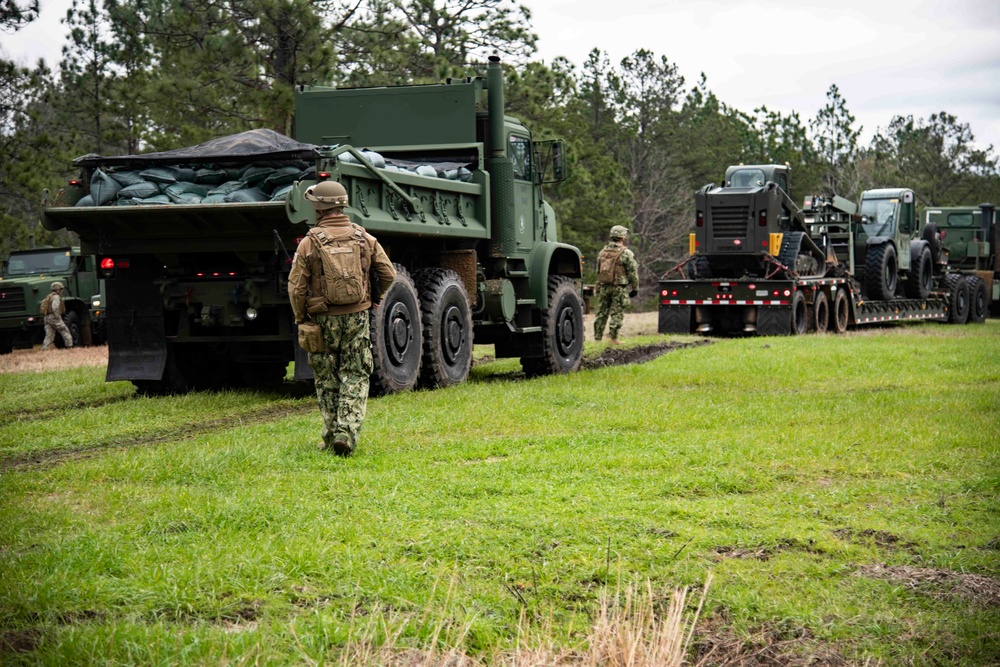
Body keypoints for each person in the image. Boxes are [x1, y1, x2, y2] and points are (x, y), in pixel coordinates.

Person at [288, 180, 396, 457]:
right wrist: (376, 298)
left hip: (322, 319)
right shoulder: (365, 238)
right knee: (356, 374)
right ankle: (346, 433)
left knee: (326, 377)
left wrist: (302, 317)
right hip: (357, 317)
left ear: (318, 207)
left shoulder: (309, 243)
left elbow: (297, 287)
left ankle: (329, 434)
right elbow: (389, 274)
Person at [593, 225, 639, 344]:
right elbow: (633, 272)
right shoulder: (626, 253)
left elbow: (598, 271)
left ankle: (597, 339)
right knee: (616, 313)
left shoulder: (602, 252)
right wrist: (635, 288)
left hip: (604, 286)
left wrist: (598, 285)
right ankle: (613, 338)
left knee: (601, 312)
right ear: (622, 237)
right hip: (619, 287)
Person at [40, 281, 74, 350]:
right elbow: (55, 307)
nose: (62, 291)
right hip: (54, 317)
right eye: (61, 289)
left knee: (49, 335)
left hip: (47, 318)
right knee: (65, 331)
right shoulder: (56, 297)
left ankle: (45, 348)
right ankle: (69, 346)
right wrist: (58, 316)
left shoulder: (49, 297)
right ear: (58, 289)